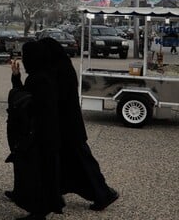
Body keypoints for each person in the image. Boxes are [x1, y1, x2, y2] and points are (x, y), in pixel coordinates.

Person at [38, 37, 118, 212]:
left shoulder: (56, 70)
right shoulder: (64, 67)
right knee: (76, 161)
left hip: (67, 127)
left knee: (82, 163)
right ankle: (59, 192)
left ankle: (103, 193)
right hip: (71, 125)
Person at [7, 41, 65, 220]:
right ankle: (48, 203)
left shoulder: (37, 79)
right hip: (49, 133)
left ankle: (38, 211)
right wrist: (16, 77)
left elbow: (27, 103)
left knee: (35, 172)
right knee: (46, 171)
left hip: (37, 134)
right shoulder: (47, 74)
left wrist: (16, 84)